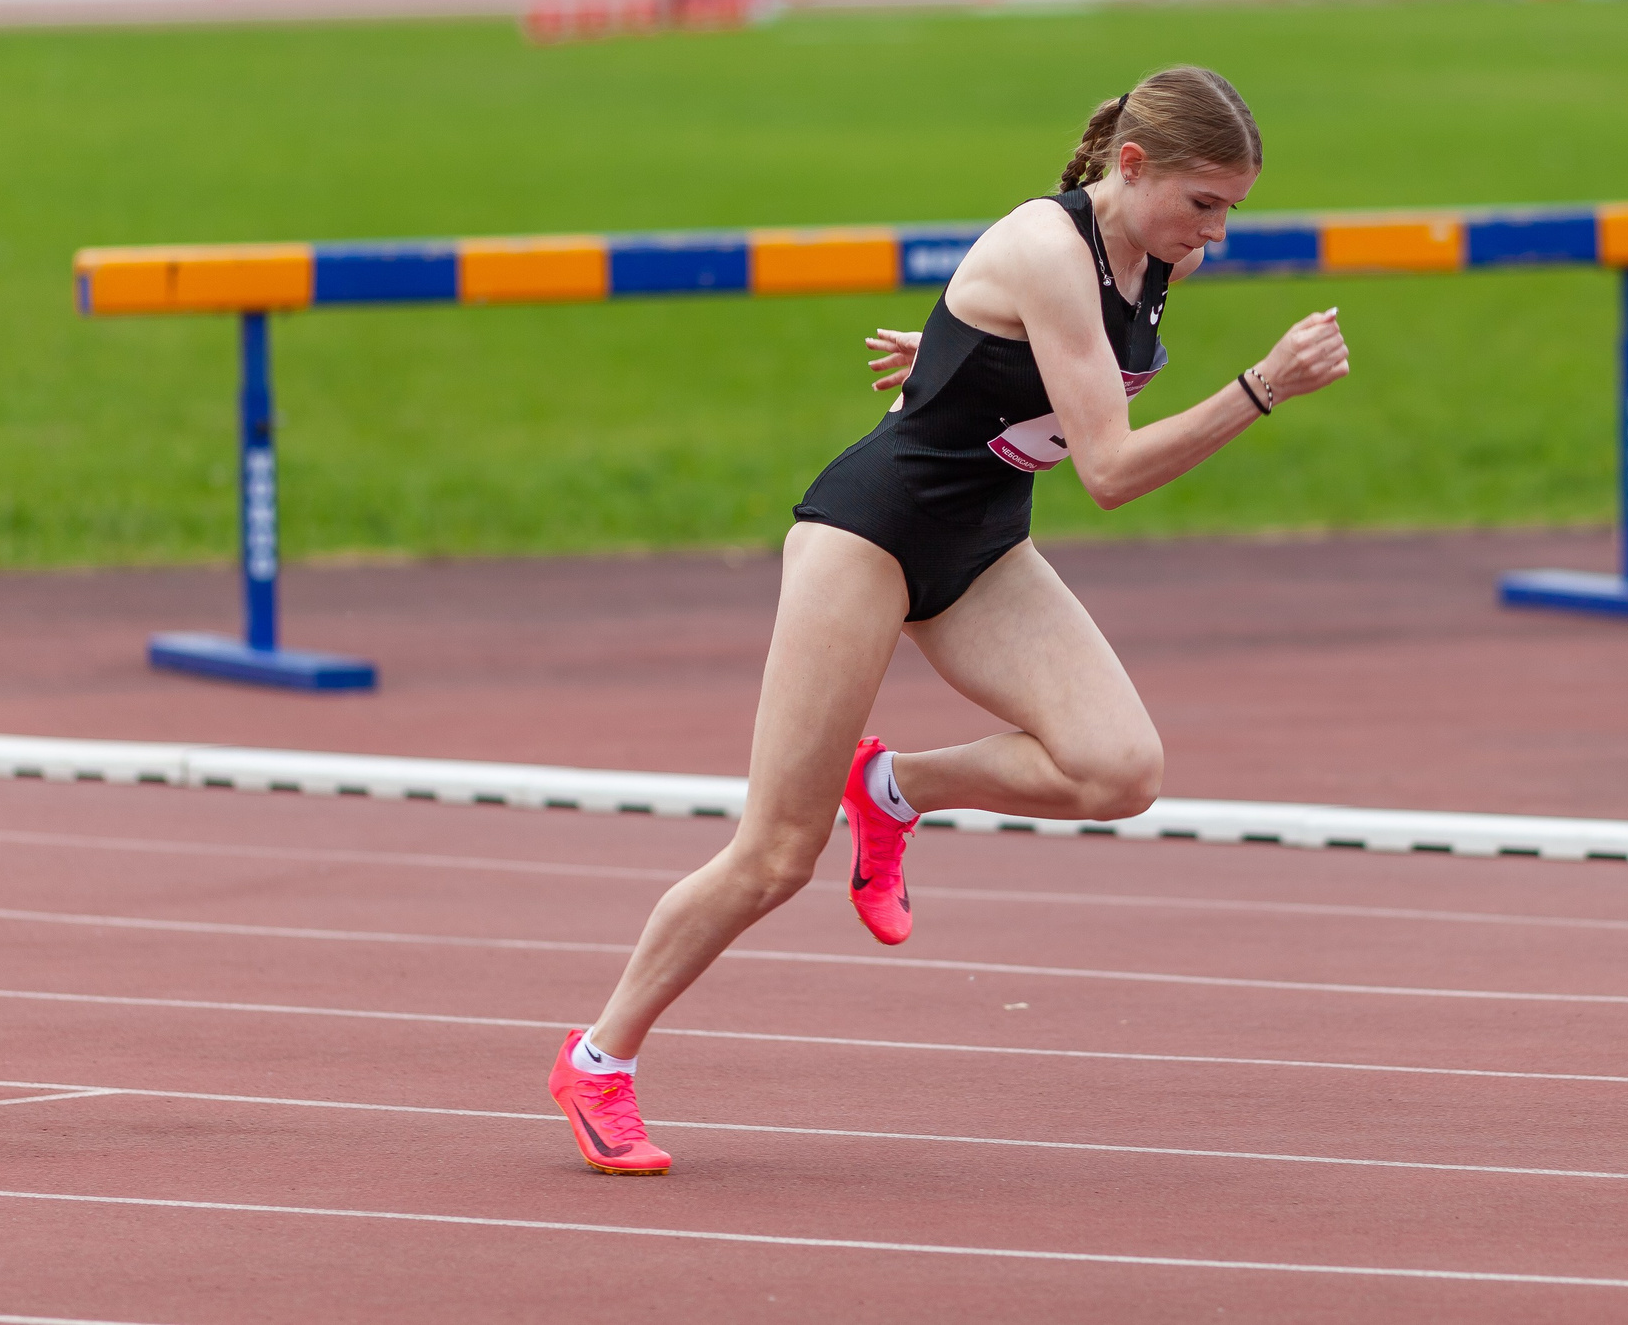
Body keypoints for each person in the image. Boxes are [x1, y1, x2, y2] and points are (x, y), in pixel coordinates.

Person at [546, 67, 1354, 1175]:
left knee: (1119, 769)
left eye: (1231, 210)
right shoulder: (1046, 243)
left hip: (980, 543)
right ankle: (599, 1058)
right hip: (868, 538)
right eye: (1205, 204)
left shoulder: (1148, 252)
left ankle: (896, 788)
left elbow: (1047, 380)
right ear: (1131, 167)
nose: (1216, 234)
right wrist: (1260, 387)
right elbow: (1111, 468)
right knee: (777, 853)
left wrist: (954, 365)